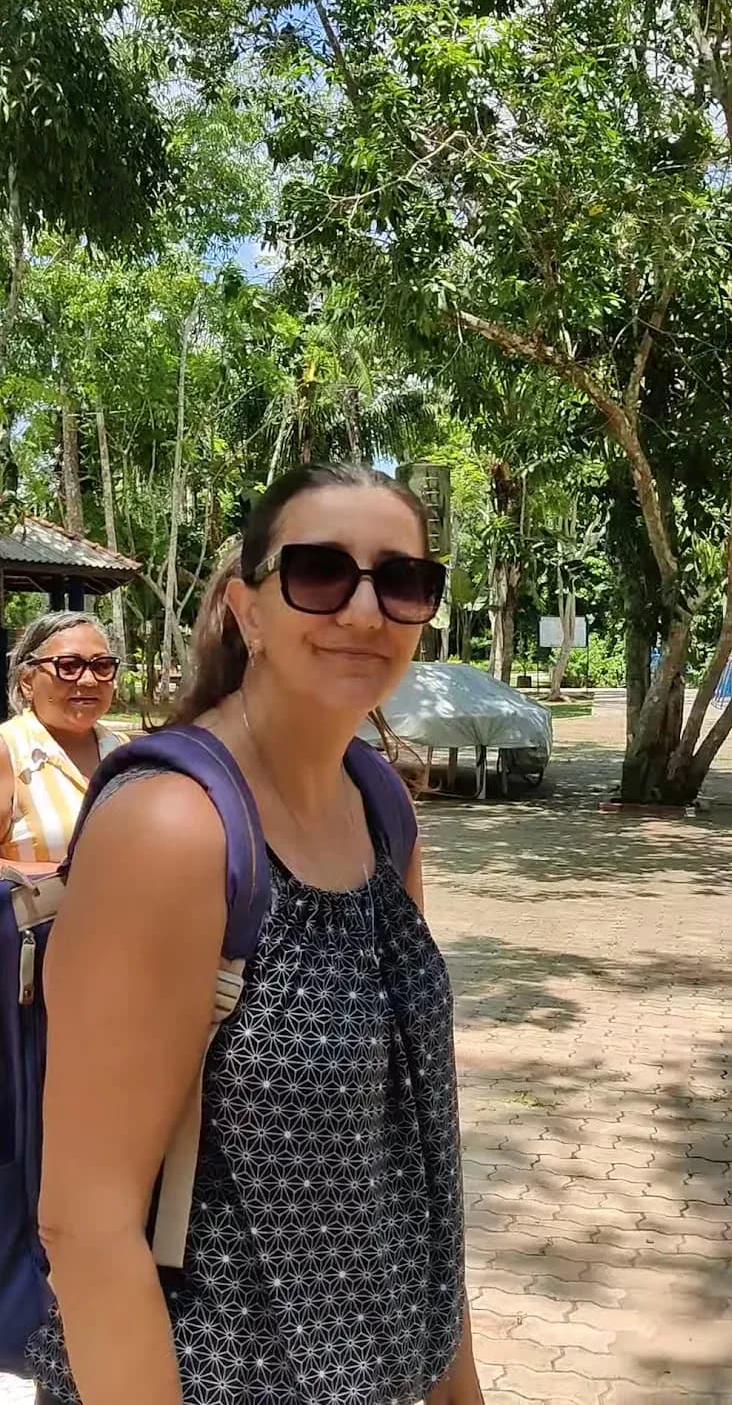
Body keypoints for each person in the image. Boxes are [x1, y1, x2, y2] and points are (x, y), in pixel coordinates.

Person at [30, 464, 482, 1405]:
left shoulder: (381, 804)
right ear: (248, 610)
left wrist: (457, 1383)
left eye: (402, 581)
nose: (364, 611)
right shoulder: (173, 827)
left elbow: (414, 1156)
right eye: (319, 572)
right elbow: (85, 1222)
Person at [0, 612, 126, 872]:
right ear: (27, 682)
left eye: (102, 666)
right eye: (68, 666)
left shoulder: (124, 751)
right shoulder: (8, 752)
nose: (89, 680)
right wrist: (72, 877)